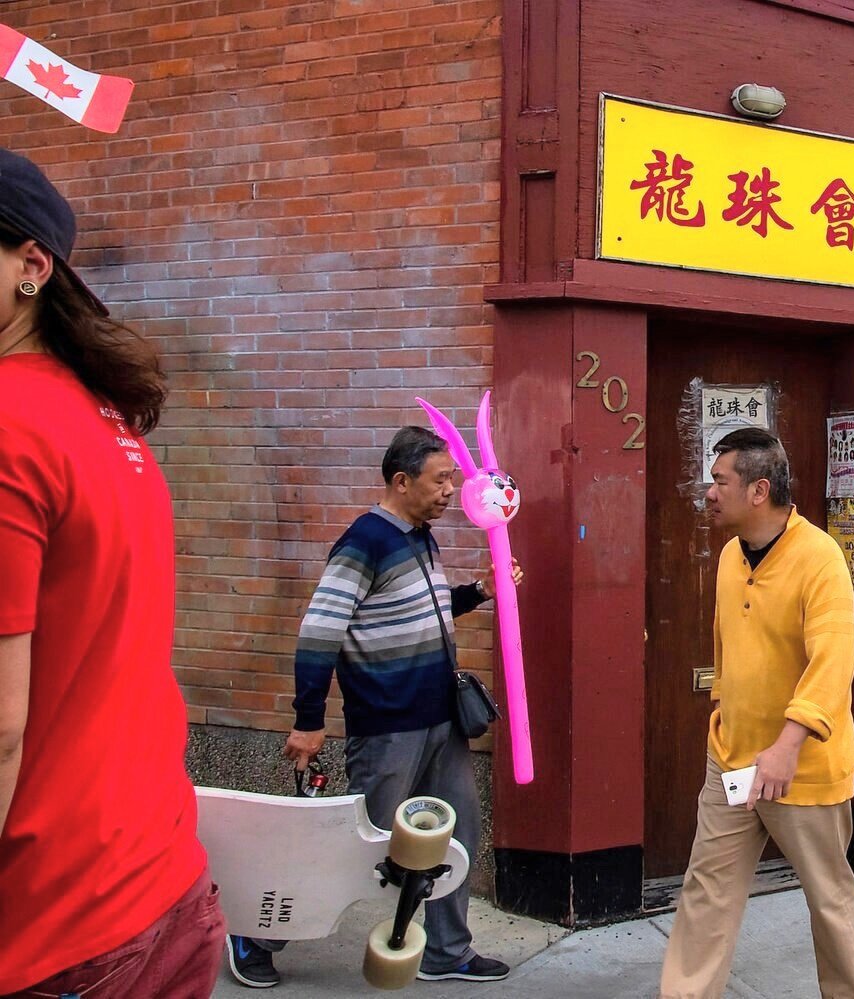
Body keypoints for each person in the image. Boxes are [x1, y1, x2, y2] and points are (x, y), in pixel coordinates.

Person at [0, 149, 226, 998]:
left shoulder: (10, 423)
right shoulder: (101, 418)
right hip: (160, 888)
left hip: (52, 926)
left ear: (31, 266)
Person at [227, 427, 520, 987]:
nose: (450, 492)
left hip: (440, 720)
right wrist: (308, 720)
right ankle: (255, 934)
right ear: (401, 481)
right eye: (440, 480)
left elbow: (418, 613)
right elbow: (320, 634)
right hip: (387, 727)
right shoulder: (364, 542)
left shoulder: (420, 536)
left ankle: (446, 950)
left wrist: (478, 592)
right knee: (359, 846)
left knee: (453, 837)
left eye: (452, 480)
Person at [659, 428, 854, 999]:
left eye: (720, 480)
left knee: (828, 896)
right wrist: (723, 707)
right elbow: (727, 644)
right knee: (707, 889)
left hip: (802, 769)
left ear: (758, 490)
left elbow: (834, 661)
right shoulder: (731, 556)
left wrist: (787, 743)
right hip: (733, 760)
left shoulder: (820, 557)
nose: (708, 491)